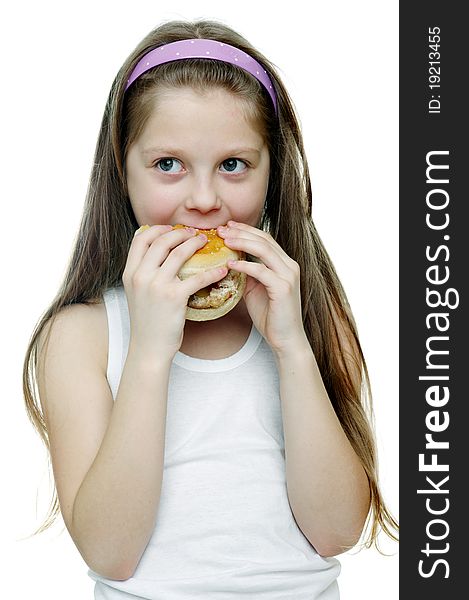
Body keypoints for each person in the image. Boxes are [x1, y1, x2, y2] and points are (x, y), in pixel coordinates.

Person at [23, 19, 398, 599]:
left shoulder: (310, 316)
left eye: (233, 164)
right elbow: (110, 552)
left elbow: (336, 531)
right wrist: (150, 352)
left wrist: (293, 348)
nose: (202, 200)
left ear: (273, 175)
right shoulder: (82, 335)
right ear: (122, 172)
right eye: (168, 164)